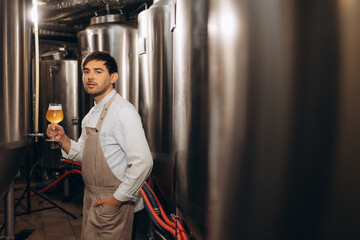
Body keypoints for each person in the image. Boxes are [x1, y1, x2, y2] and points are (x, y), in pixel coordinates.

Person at [46, 51, 153, 240]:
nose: (90, 77)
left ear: (113, 77)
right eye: (86, 72)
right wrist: (63, 139)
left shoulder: (123, 112)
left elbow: (143, 162)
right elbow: (83, 154)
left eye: (98, 71)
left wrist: (117, 199)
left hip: (114, 202)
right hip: (91, 198)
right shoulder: (91, 114)